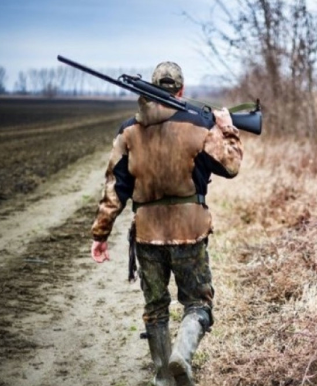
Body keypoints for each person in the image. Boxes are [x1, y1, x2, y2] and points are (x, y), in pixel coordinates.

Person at [89, 61, 243, 386]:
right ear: (182, 90)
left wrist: (101, 233)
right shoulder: (199, 127)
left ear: (149, 88)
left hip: (147, 235)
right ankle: (182, 356)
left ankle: (163, 378)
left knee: (155, 308)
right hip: (190, 231)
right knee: (198, 303)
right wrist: (227, 128)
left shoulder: (128, 131)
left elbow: (114, 189)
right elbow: (230, 166)